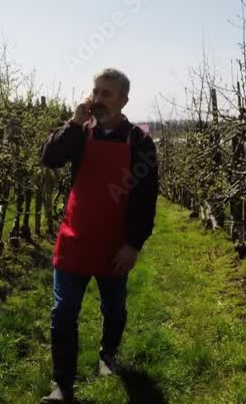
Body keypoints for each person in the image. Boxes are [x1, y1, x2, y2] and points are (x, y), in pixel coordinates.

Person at [37, 68, 159, 404]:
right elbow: (50, 159)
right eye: (96, 92)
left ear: (124, 100)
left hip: (114, 243)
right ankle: (62, 385)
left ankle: (108, 355)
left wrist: (133, 244)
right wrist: (73, 123)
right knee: (63, 313)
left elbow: (147, 198)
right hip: (74, 238)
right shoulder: (79, 133)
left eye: (107, 93)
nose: (99, 99)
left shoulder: (139, 140)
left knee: (115, 308)